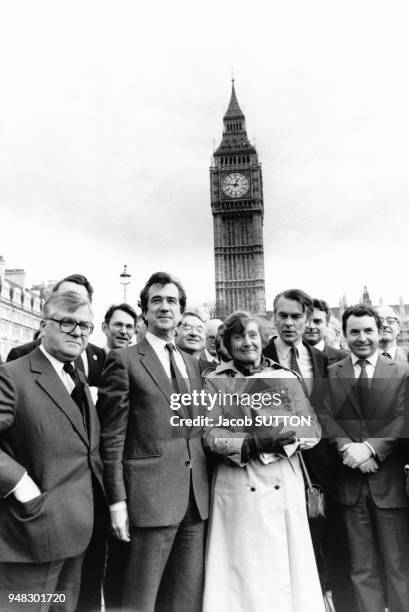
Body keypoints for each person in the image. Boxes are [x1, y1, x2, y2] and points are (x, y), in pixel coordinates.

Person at [97, 272, 209, 612]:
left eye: (172, 301)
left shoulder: (193, 363)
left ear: (181, 311)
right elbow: (112, 438)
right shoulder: (124, 360)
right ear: (144, 311)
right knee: (141, 601)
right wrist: (117, 502)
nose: (165, 307)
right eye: (156, 301)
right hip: (149, 499)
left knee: (186, 599)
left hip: (194, 499)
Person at [203, 311, 325, 612]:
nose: (247, 342)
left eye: (253, 335)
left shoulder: (285, 377)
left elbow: (312, 429)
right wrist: (250, 443)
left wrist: (280, 438)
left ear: (263, 339)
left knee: (283, 572)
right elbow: (210, 433)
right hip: (239, 485)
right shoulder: (215, 381)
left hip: (283, 483)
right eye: (239, 336)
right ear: (228, 344)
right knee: (243, 570)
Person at [0, 291, 106, 612]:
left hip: (76, 533)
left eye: (85, 326)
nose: (78, 332)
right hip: (32, 534)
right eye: (67, 322)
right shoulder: (13, 375)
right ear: (43, 326)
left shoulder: (77, 378)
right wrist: (21, 485)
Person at [319, 305, 409, 612]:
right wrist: (348, 450)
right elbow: (327, 418)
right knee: (362, 568)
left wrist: (370, 449)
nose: (361, 337)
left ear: (379, 332)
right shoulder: (333, 373)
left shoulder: (399, 371)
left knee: (399, 568)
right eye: (354, 331)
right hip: (350, 486)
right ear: (344, 335)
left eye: (368, 330)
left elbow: (402, 418)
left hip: (390, 487)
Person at [262, 290, 334, 590]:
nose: (289, 323)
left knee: (319, 544)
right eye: (282, 316)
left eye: (296, 317)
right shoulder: (257, 356)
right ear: (273, 317)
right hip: (274, 466)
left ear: (307, 319)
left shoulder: (324, 360)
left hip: (319, 467)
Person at [6, 274, 106, 387]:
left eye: (79, 300)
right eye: (66, 298)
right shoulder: (17, 364)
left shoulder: (85, 372)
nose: (76, 332)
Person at [304, 298, 349, 364]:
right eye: (306, 321)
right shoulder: (287, 357)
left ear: (327, 322)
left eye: (317, 321)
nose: (311, 326)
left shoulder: (345, 359)